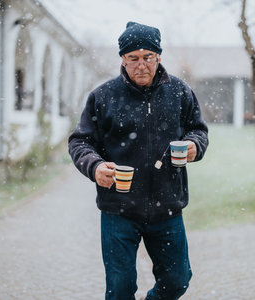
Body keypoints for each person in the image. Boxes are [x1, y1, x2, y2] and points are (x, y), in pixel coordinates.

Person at [68, 21, 209, 300]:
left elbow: (198, 130)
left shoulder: (180, 92)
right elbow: (80, 141)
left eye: (148, 57)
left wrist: (195, 145)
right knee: (119, 290)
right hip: (118, 210)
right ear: (123, 59)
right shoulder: (103, 96)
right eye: (133, 58)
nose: (141, 65)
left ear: (159, 56)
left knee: (178, 280)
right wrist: (95, 167)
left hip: (167, 208)